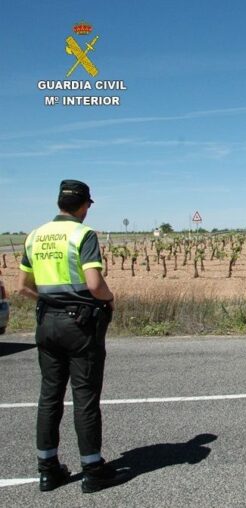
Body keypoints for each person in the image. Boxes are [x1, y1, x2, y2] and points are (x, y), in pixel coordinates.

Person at [18, 180, 130, 493]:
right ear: (84, 205)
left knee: (49, 396)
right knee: (85, 397)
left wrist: (49, 301)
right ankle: (93, 470)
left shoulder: (34, 236)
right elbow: (94, 283)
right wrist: (108, 299)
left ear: (59, 203)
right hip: (80, 326)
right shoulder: (84, 235)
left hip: (46, 324)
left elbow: (23, 286)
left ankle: (48, 470)